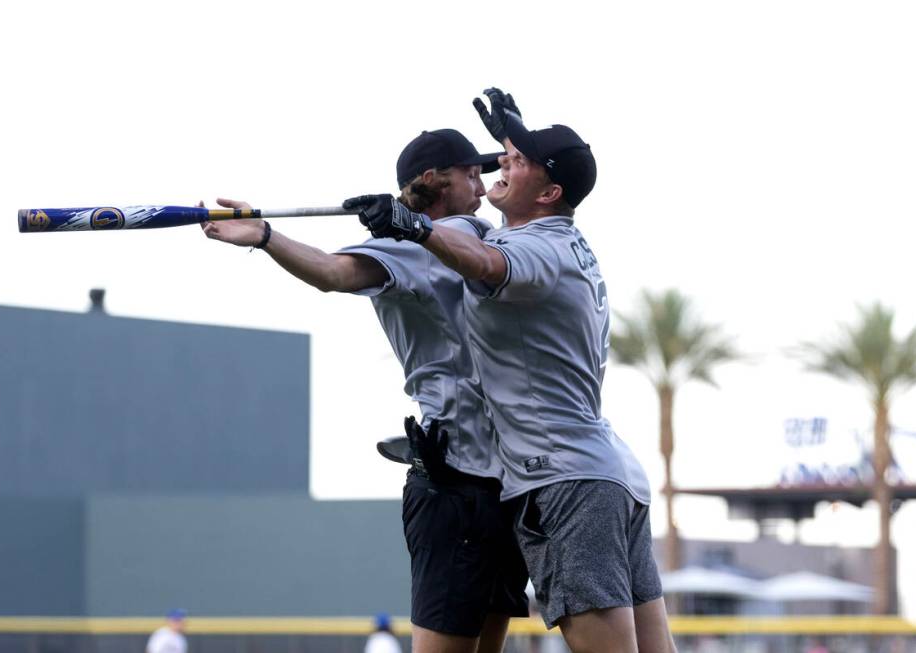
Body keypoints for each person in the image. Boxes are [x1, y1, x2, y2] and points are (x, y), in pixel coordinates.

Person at [349, 89, 677, 653]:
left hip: (566, 479)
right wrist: (514, 134)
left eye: (516, 160)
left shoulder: (530, 251)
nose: (502, 164)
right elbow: (491, 225)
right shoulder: (561, 238)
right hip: (614, 473)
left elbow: (481, 261)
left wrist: (416, 228)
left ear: (548, 193)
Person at [201, 128, 529, 653]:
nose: (481, 179)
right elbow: (333, 272)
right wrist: (267, 237)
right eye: (470, 171)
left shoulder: (486, 238)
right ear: (433, 181)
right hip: (455, 485)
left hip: (507, 485)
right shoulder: (406, 249)